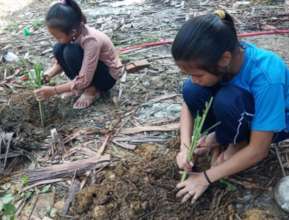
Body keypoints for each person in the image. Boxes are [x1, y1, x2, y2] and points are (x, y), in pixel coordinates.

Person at [172, 10, 289, 204]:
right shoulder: (220, 64)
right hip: (239, 110)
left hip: (273, 123)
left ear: (224, 59)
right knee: (191, 90)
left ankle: (237, 143)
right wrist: (185, 147)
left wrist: (205, 177)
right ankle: (222, 138)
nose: (195, 79)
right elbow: (187, 104)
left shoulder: (267, 76)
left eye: (198, 75)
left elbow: (259, 150)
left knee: (229, 100)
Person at [34, 0, 122, 109]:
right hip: (91, 70)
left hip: (106, 76)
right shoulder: (74, 33)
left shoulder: (91, 41)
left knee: (70, 52)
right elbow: (61, 63)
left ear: (72, 32)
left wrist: (53, 91)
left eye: (59, 37)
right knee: (58, 48)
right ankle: (78, 87)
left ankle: (92, 90)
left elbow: (84, 78)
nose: (58, 40)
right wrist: (49, 74)